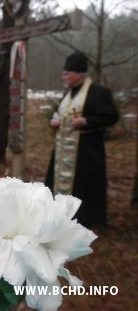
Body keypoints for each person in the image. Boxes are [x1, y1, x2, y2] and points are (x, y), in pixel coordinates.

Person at [45, 52, 119, 227]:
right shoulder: (68, 94)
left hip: (86, 149)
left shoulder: (99, 92)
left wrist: (86, 121)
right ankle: (60, 215)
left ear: (79, 74)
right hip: (63, 148)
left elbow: (111, 116)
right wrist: (56, 121)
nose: (64, 77)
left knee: (85, 185)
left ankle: (86, 219)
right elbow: (62, 114)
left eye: (67, 74)